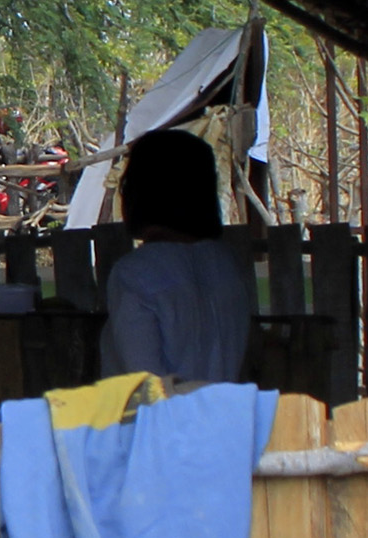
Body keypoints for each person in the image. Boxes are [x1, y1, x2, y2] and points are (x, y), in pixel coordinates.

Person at [97, 126, 254, 387]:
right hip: (224, 420)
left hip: (160, 425)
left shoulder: (136, 274)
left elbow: (147, 385)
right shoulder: (226, 265)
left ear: (139, 192)